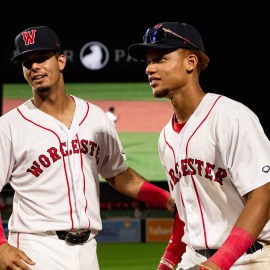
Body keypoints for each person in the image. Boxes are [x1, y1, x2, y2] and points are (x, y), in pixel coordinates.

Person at [0, 25, 175, 270]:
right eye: (27, 62)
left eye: (41, 58)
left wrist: (165, 199)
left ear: (61, 61)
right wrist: (0, 245)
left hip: (88, 250)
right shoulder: (9, 126)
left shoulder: (95, 117)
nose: (34, 67)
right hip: (35, 249)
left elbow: (117, 174)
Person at [128, 21, 270, 270]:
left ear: (191, 62)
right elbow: (186, 214)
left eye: (160, 59)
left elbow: (263, 197)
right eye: (148, 61)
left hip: (250, 257)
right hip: (196, 258)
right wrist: (167, 263)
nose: (150, 68)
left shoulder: (231, 117)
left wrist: (217, 264)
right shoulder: (165, 139)